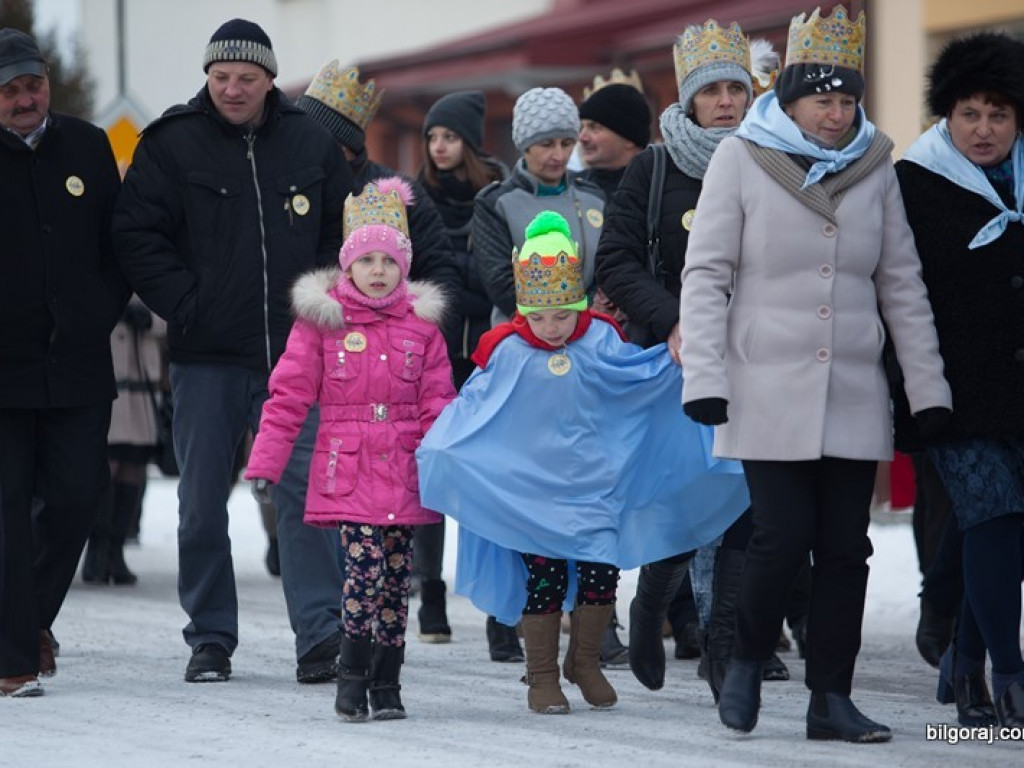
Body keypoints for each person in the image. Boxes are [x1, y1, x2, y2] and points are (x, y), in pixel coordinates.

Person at [679, 5, 952, 742]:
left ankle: (831, 697)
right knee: (780, 533)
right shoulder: (741, 157)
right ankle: (743, 658)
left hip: (854, 390)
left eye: (846, 100)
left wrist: (927, 392)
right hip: (764, 385)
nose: (835, 114)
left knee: (846, 548)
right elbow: (705, 274)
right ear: (790, 98)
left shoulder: (876, 167)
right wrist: (704, 376)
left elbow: (902, 283)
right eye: (821, 99)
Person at [416, 211, 750, 714]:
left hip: (595, 487)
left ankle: (586, 662)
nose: (551, 328)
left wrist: (676, 360)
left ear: (577, 304)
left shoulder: (600, 339)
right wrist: (444, 443)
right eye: (540, 317)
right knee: (545, 579)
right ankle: (543, 676)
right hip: (532, 494)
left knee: (600, 574)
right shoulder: (505, 351)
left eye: (562, 315)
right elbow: (475, 408)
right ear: (524, 309)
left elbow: (635, 379)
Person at [113, 18, 352, 683]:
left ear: (270, 79)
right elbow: (135, 234)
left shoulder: (310, 141)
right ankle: (211, 638)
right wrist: (189, 304)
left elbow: (348, 230)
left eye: (246, 78)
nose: (232, 89)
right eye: (220, 77)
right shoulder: (173, 144)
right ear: (207, 78)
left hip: (297, 357)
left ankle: (321, 635)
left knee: (305, 498)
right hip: (207, 357)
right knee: (199, 503)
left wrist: (324, 298)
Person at [244, 61, 460, 683]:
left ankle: (376, 665)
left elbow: (438, 270)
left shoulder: (385, 196)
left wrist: (409, 319)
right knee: (317, 509)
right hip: (311, 342)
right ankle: (329, 640)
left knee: (389, 571)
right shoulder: (279, 173)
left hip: (388, 374)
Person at [596, 19, 788, 696]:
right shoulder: (654, 166)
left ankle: (724, 646)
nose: (728, 101)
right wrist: (676, 317)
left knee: (745, 503)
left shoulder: (777, 158)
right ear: (690, 99)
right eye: (714, 92)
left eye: (738, 88)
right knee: (686, 500)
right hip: (676, 360)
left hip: (759, 357)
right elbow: (615, 259)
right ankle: (652, 607)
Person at [895, 32, 1024, 728]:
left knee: (999, 529)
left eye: (999, 115)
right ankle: (1009, 671)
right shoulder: (914, 182)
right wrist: (913, 391)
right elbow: (894, 292)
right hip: (951, 389)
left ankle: (964, 660)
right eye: (969, 113)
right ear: (946, 115)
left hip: (1020, 391)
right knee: (994, 516)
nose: (983, 129)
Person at [0, 27, 126, 697]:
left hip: (77, 363)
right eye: (11, 89)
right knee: (6, 511)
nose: (26, 99)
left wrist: (99, 308)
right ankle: (13, 657)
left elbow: (118, 241)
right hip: (5, 372)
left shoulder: (87, 144)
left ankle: (25, 620)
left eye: (34, 84)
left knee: (79, 499)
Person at [470, 87, 604, 661]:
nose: (557, 154)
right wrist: (553, 317)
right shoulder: (497, 203)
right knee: (519, 486)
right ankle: (510, 611)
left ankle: (592, 610)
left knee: (583, 482)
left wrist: (594, 318)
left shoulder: (595, 198)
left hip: (586, 356)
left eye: (566, 142)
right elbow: (499, 281)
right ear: (525, 145)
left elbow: (615, 262)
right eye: (546, 143)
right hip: (522, 355)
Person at [415, 90, 507, 643]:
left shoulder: (499, 196)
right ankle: (430, 596)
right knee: (430, 475)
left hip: (487, 356)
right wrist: (463, 286)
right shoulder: (410, 198)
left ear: (469, 142)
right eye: (431, 137)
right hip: (428, 358)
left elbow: (497, 280)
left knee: (488, 476)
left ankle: (499, 603)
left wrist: (456, 288)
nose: (438, 146)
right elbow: (415, 281)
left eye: (448, 136)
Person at [82, 298, 166, 586]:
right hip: (108, 374)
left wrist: (151, 319)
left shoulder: (150, 259)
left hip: (142, 378)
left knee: (134, 460)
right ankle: (97, 547)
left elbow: (171, 312)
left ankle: (116, 548)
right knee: (108, 461)